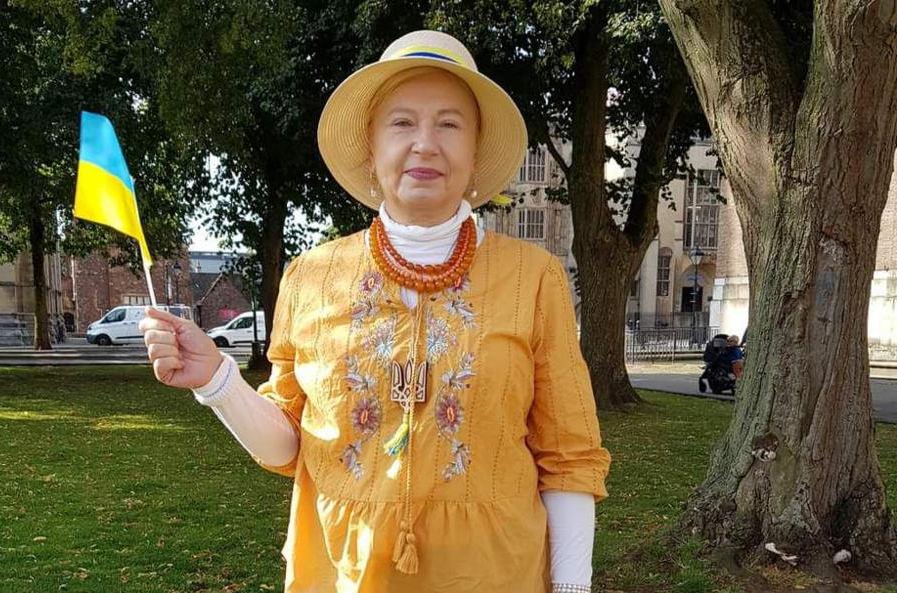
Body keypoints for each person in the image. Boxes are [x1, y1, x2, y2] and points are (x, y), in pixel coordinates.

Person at [140, 30, 611, 593]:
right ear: (370, 147)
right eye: (402, 122)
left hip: (493, 572)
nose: (425, 143)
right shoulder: (310, 275)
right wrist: (216, 380)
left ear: (476, 149)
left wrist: (572, 587)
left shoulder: (534, 279)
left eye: (450, 124)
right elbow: (288, 444)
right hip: (342, 572)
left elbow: (569, 456)